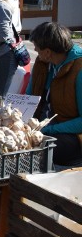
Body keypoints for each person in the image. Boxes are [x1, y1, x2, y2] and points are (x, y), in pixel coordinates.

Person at [26, 22, 82, 166]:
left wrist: (48, 129)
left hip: (71, 135)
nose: (36, 52)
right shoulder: (42, 63)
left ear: (48, 52)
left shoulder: (79, 69)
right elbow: (29, 98)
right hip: (43, 127)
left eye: (37, 50)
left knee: (46, 148)